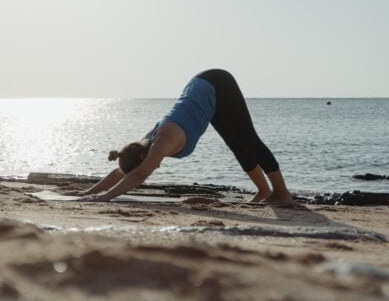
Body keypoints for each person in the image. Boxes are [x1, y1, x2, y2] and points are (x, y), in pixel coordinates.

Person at [79, 69, 294, 205]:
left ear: (144, 156)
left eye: (146, 164)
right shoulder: (143, 144)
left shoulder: (162, 139)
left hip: (217, 84)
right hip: (202, 92)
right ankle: (264, 191)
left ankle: (282, 193)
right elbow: (122, 171)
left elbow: (138, 175)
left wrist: (104, 198)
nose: (155, 168)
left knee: (248, 139)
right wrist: (88, 192)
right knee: (236, 145)